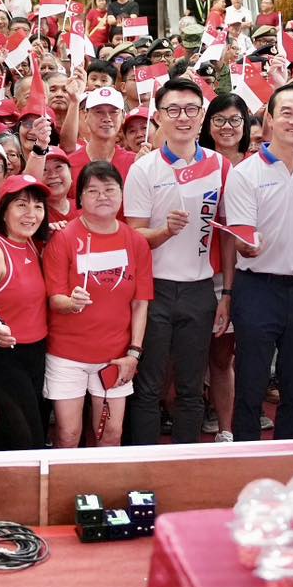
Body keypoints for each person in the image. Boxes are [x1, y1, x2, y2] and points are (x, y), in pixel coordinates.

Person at [224, 85, 293, 441]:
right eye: (286, 112)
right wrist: (247, 247)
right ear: (269, 118)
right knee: (251, 385)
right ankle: (244, 462)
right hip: (258, 289)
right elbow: (240, 239)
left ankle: (291, 461)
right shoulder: (245, 173)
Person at [123, 79, 228, 445]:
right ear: (158, 118)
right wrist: (165, 232)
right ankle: (143, 465)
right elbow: (133, 235)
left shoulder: (218, 165)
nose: (182, 118)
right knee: (149, 386)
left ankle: (186, 463)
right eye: (173, 110)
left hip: (200, 289)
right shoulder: (144, 169)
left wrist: (226, 293)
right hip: (155, 291)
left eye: (190, 110)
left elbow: (226, 234)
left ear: (201, 117)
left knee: (190, 387)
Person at [42, 161, 152, 448]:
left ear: (122, 193)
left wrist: (134, 353)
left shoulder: (135, 242)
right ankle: (67, 490)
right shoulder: (63, 238)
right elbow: (55, 299)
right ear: (79, 199)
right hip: (67, 356)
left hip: (116, 356)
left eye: (109, 189)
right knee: (68, 434)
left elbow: (140, 303)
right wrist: (71, 303)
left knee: (111, 434)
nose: (102, 196)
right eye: (93, 190)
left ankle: (102, 490)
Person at [0, 175, 51, 451]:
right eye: (21, 205)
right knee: (27, 441)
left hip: (36, 354)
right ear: (3, 211)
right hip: (3, 359)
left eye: (38, 206)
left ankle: (3, 492)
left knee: (12, 438)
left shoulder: (32, 243)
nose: (31, 214)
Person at [199, 93, 252, 440]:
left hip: (237, 273)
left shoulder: (256, 166)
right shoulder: (196, 162)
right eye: (219, 120)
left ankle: (225, 428)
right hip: (193, 271)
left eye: (235, 120)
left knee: (222, 357)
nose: (227, 127)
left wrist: (230, 289)